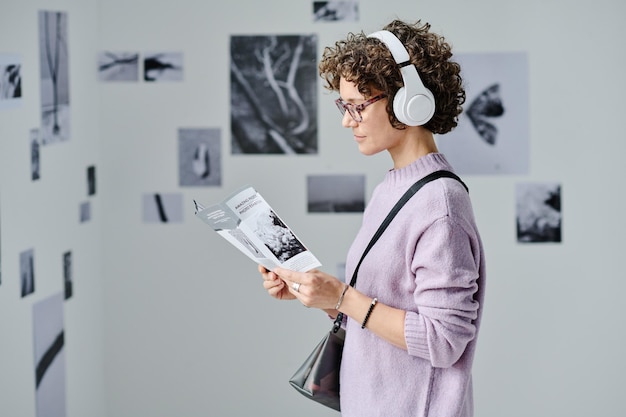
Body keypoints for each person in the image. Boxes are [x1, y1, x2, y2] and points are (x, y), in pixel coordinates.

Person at [259, 19, 486, 417]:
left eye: (357, 106)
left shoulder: (441, 205)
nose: (348, 121)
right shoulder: (391, 189)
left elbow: (443, 341)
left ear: (407, 101)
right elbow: (384, 307)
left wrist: (343, 296)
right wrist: (321, 296)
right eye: (343, 106)